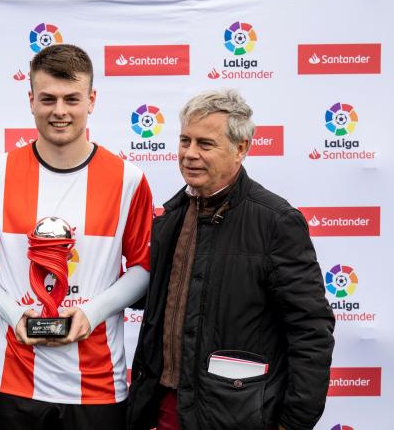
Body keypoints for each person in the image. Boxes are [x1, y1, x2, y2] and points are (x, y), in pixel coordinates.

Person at [0, 44, 153, 430]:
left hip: (98, 384)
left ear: (92, 100)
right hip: (12, 379)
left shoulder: (127, 179)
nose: (59, 111)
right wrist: (14, 315)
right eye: (47, 99)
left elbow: (143, 268)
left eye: (71, 99)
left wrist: (91, 314)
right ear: (31, 100)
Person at [127, 89, 335, 430]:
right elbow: (152, 300)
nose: (189, 154)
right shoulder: (169, 217)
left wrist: (294, 422)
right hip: (164, 410)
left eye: (204, 144)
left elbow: (311, 330)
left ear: (241, 149)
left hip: (236, 415)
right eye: (184, 141)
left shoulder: (275, 222)